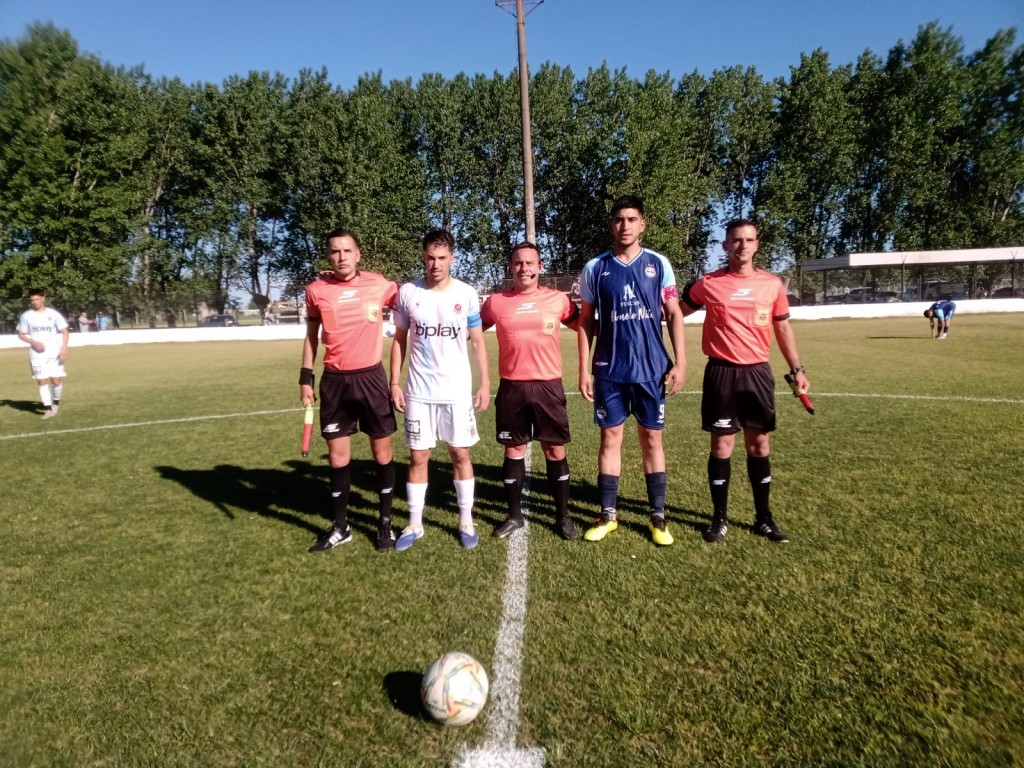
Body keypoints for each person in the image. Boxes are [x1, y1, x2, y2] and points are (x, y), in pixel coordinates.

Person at [680, 218, 810, 544]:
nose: (742, 245)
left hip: (757, 373)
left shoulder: (772, 285)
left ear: (757, 244)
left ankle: (763, 518)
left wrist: (797, 369)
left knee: (759, 445)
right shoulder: (709, 283)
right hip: (721, 372)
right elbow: (675, 312)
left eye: (749, 240)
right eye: (736, 240)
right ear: (726, 245)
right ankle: (719, 518)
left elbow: (783, 328)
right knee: (722, 446)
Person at [577, 195, 686, 546]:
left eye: (631, 219)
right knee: (610, 438)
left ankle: (658, 516)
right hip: (609, 369)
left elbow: (674, 313)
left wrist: (681, 361)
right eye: (619, 219)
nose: (625, 225)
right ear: (611, 225)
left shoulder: (658, 263)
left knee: (652, 439)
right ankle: (608, 515)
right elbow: (585, 321)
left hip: (651, 369)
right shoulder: (595, 268)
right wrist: (583, 369)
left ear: (643, 224)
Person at [301, 228, 401, 553]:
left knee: (382, 453)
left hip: (371, 378)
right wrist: (305, 378)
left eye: (347, 251)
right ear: (327, 256)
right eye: (335, 251)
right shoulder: (316, 290)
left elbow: (412, 300)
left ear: (358, 254)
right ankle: (340, 527)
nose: (341, 257)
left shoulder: (380, 284)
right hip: (334, 381)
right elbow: (311, 337)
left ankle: (384, 524)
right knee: (338, 457)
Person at [389, 228, 490, 551]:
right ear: (424, 257)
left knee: (460, 453)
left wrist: (485, 383)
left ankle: (466, 520)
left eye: (442, 258)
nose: (436, 264)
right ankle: (414, 523)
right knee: (418, 456)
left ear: (452, 259)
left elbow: (478, 341)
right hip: (419, 391)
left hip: (456, 391)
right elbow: (399, 341)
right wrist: (394, 382)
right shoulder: (408, 292)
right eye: (431, 257)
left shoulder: (466, 294)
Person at [480, 242, 581, 541]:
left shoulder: (558, 300)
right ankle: (514, 516)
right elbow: (470, 330)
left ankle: (563, 516)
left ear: (540, 266)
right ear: (511, 266)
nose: (523, 268)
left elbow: (586, 326)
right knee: (513, 450)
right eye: (518, 263)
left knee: (555, 450)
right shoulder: (496, 302)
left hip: (548, 385)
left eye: (529, 263)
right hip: (512, 386)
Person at [16, 288, 69, 419]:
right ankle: (47, 409)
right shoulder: (26, 316)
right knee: (42, 381)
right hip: (37, 355)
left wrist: (63, 349)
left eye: (37, 299)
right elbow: (21, 334)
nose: (34, 302)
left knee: (56, 380)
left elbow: (65, 332)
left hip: (54, 353)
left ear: (43, 298)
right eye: (32, 300)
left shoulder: (53, 314)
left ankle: (55, 404)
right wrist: (32, 342)